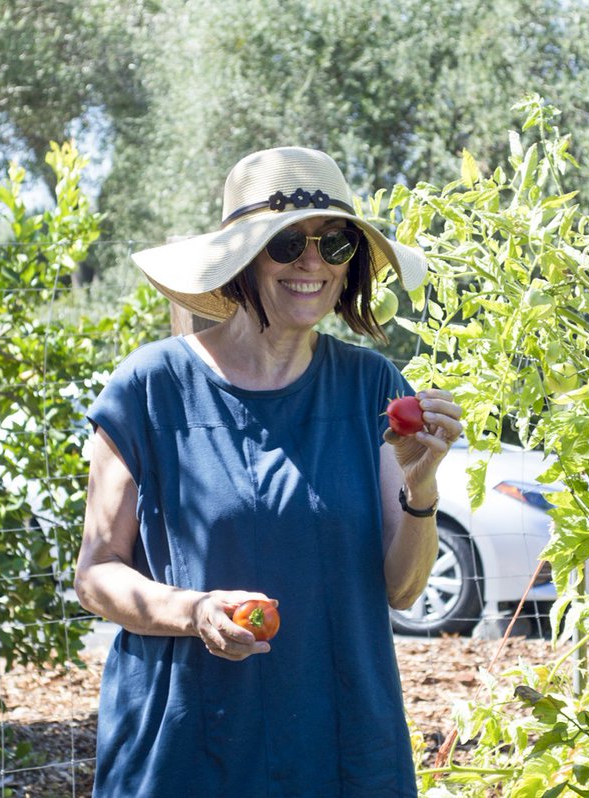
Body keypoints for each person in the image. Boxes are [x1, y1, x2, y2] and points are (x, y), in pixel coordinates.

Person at [75, 146, 464, 797]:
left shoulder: (371, 388)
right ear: (243, 261)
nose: (312, 263)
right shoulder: (150, 387)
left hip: (338, 742)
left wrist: (420, 488)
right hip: (186, 747)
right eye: (287, 244)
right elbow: (95, 576)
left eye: (334, 244)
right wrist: (195, 611)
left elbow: (402, 590)